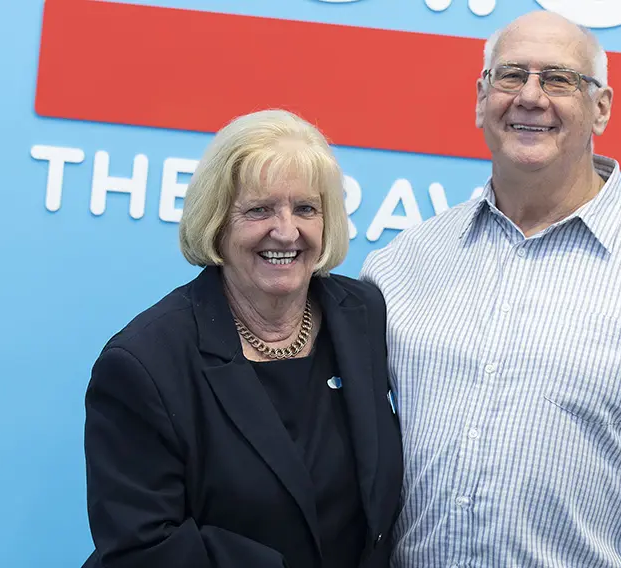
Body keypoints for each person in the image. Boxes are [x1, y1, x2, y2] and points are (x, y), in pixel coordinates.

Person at [360, 10, 621, 568]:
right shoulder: (403, 265)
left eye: (560, 79)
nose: (531, 97)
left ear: (602, 108)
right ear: (480, 97)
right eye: (511, 75)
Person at [81, 109, 404, 568]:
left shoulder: (364, 317)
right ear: (217, 221)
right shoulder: (144, 363)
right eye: (259, 209)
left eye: (306, 209)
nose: (287, 231)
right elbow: (141, 549)